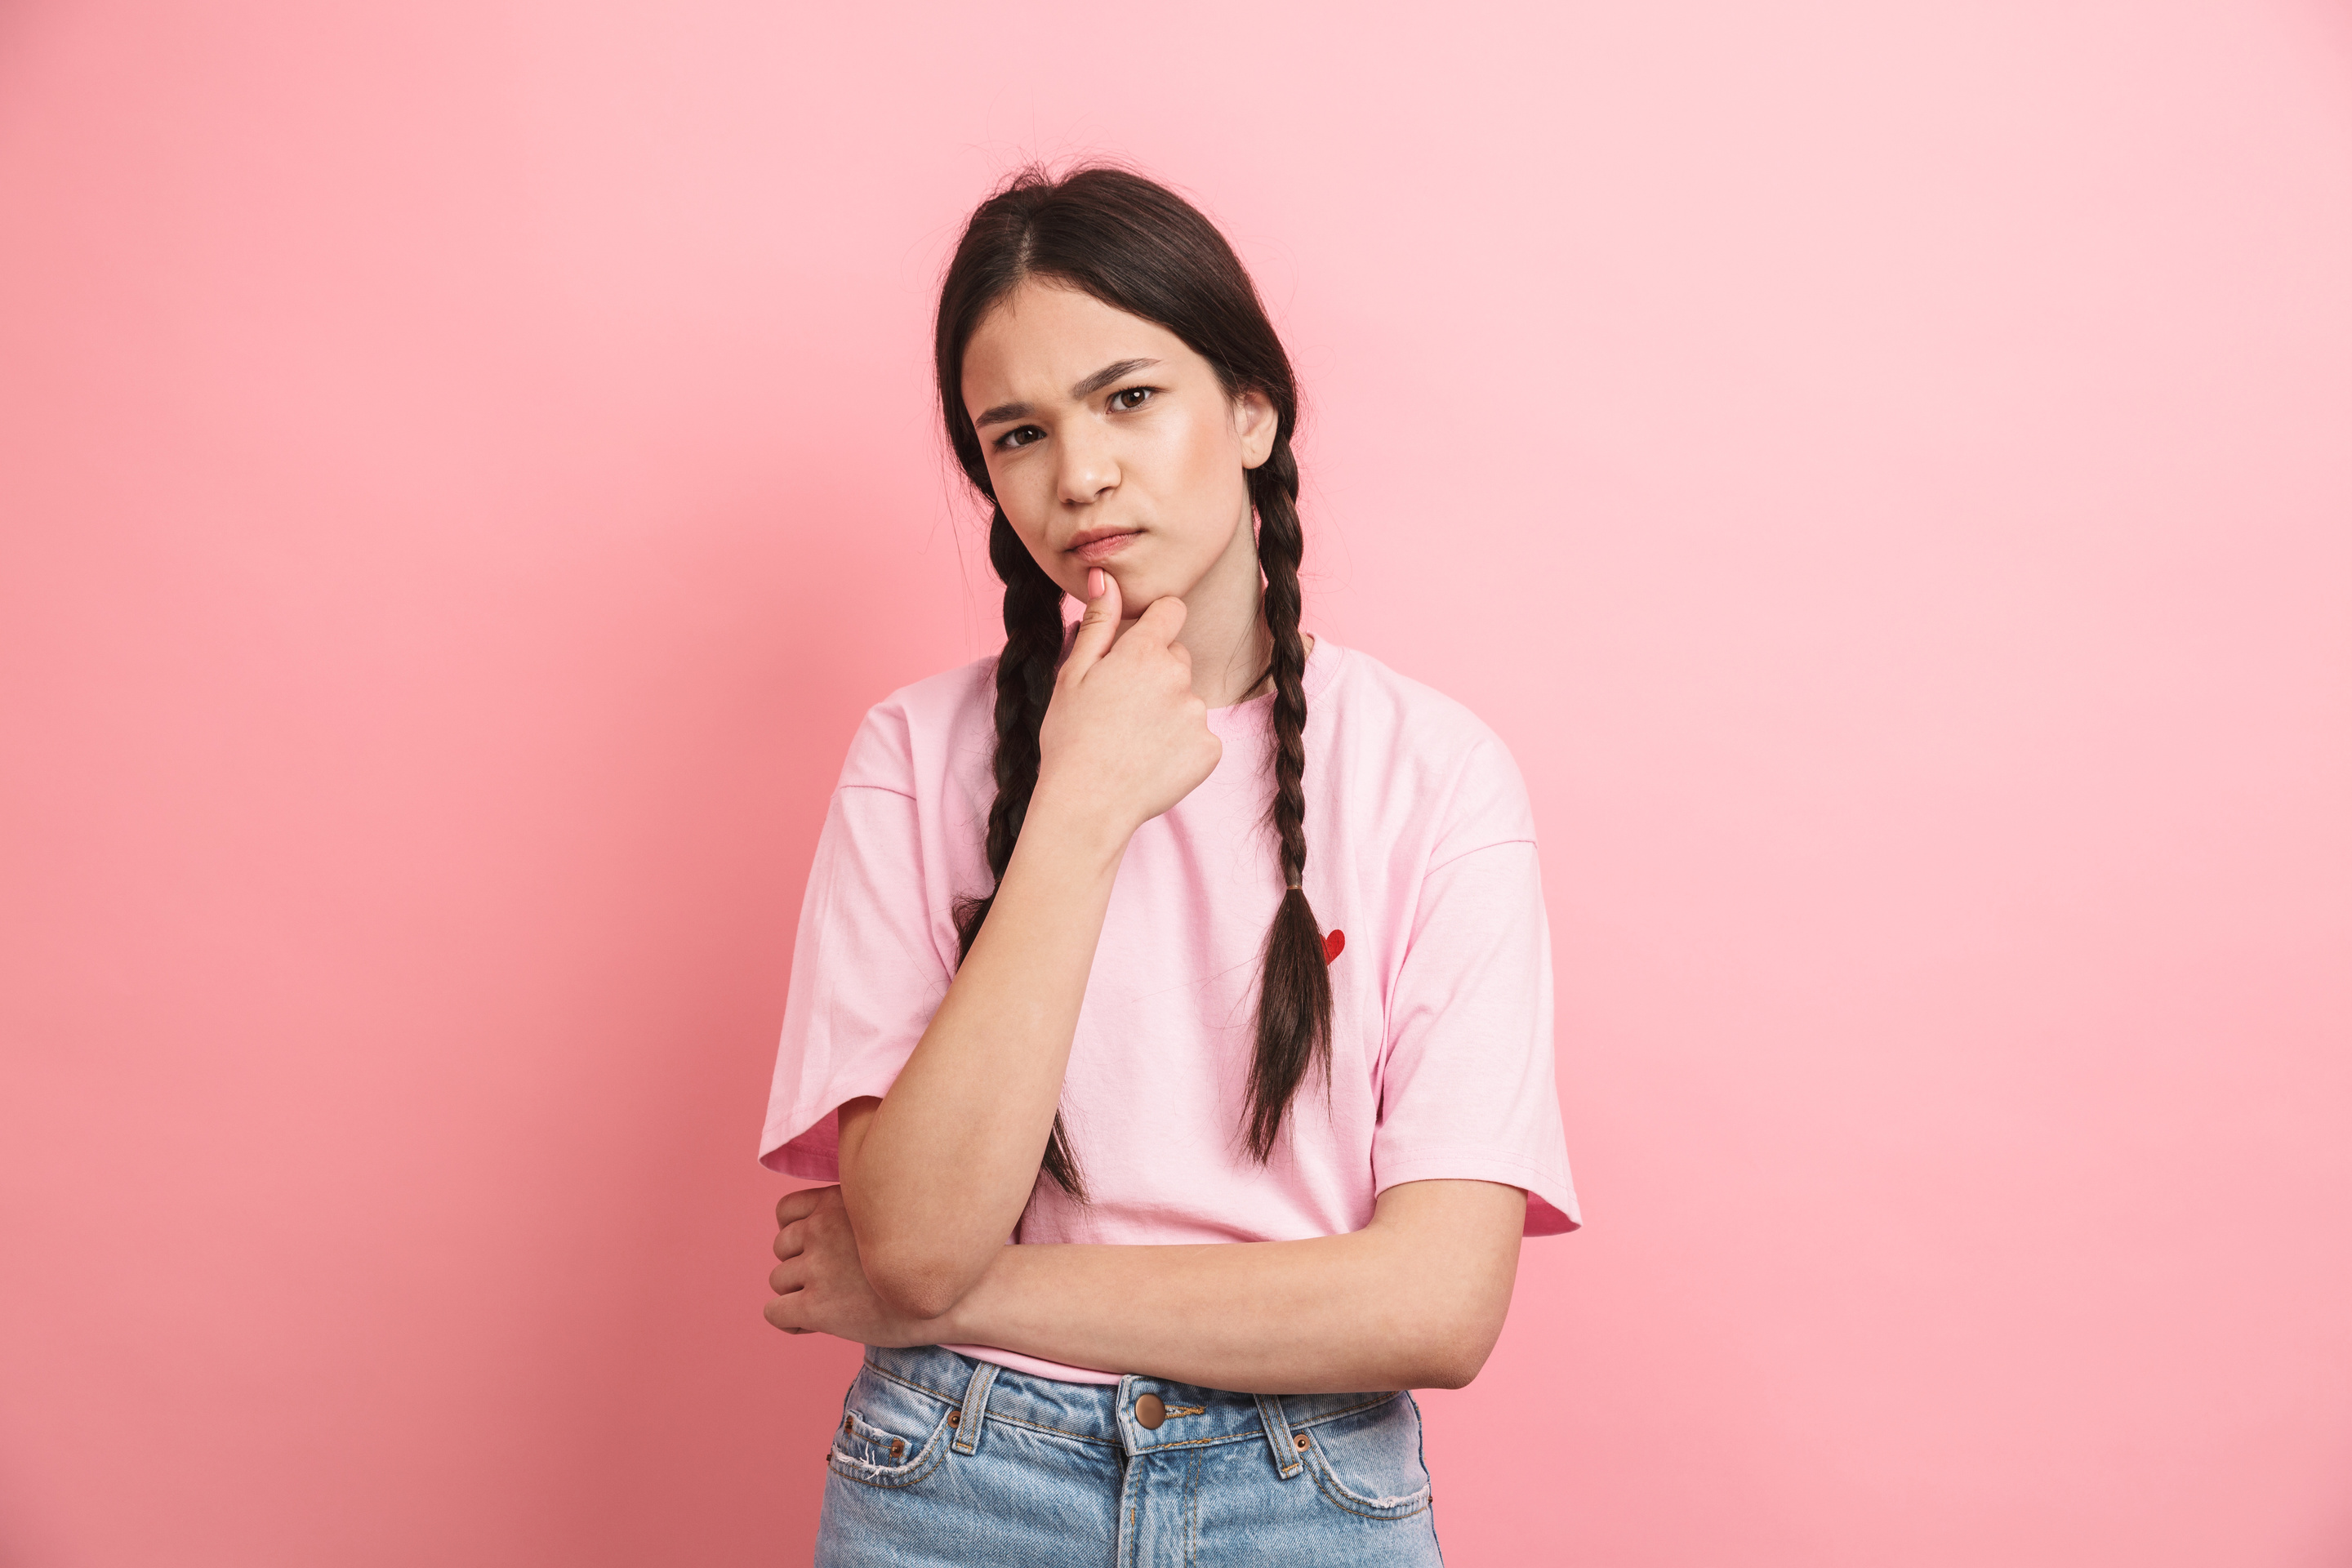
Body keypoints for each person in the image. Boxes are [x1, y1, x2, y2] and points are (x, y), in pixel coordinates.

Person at [757, 164, 1578, 1566]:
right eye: (1018, 432)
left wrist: (961, 1296)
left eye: (1130, 397)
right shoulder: (914, 757)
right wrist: (1079, 809)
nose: (1080, 475)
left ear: (1252, 410)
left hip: (1309, 1494)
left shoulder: (1433, 774)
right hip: (955, 1484)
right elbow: (913, 1237)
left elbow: (1437, 1308)